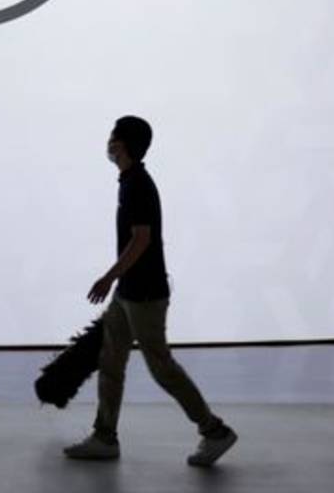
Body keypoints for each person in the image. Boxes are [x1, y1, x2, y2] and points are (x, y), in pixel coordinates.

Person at [63, 115, 237, 466]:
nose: (108, 142)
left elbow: (141, 239)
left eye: (113, 137)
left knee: (161, 368)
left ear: (124, 144)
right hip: (128, 292)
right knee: (111, 360)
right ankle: (104, 437)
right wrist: (117, 282)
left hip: (145, 295)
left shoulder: (137, 185)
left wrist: (108, 277)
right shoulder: (129, 181)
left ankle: (214, 431)